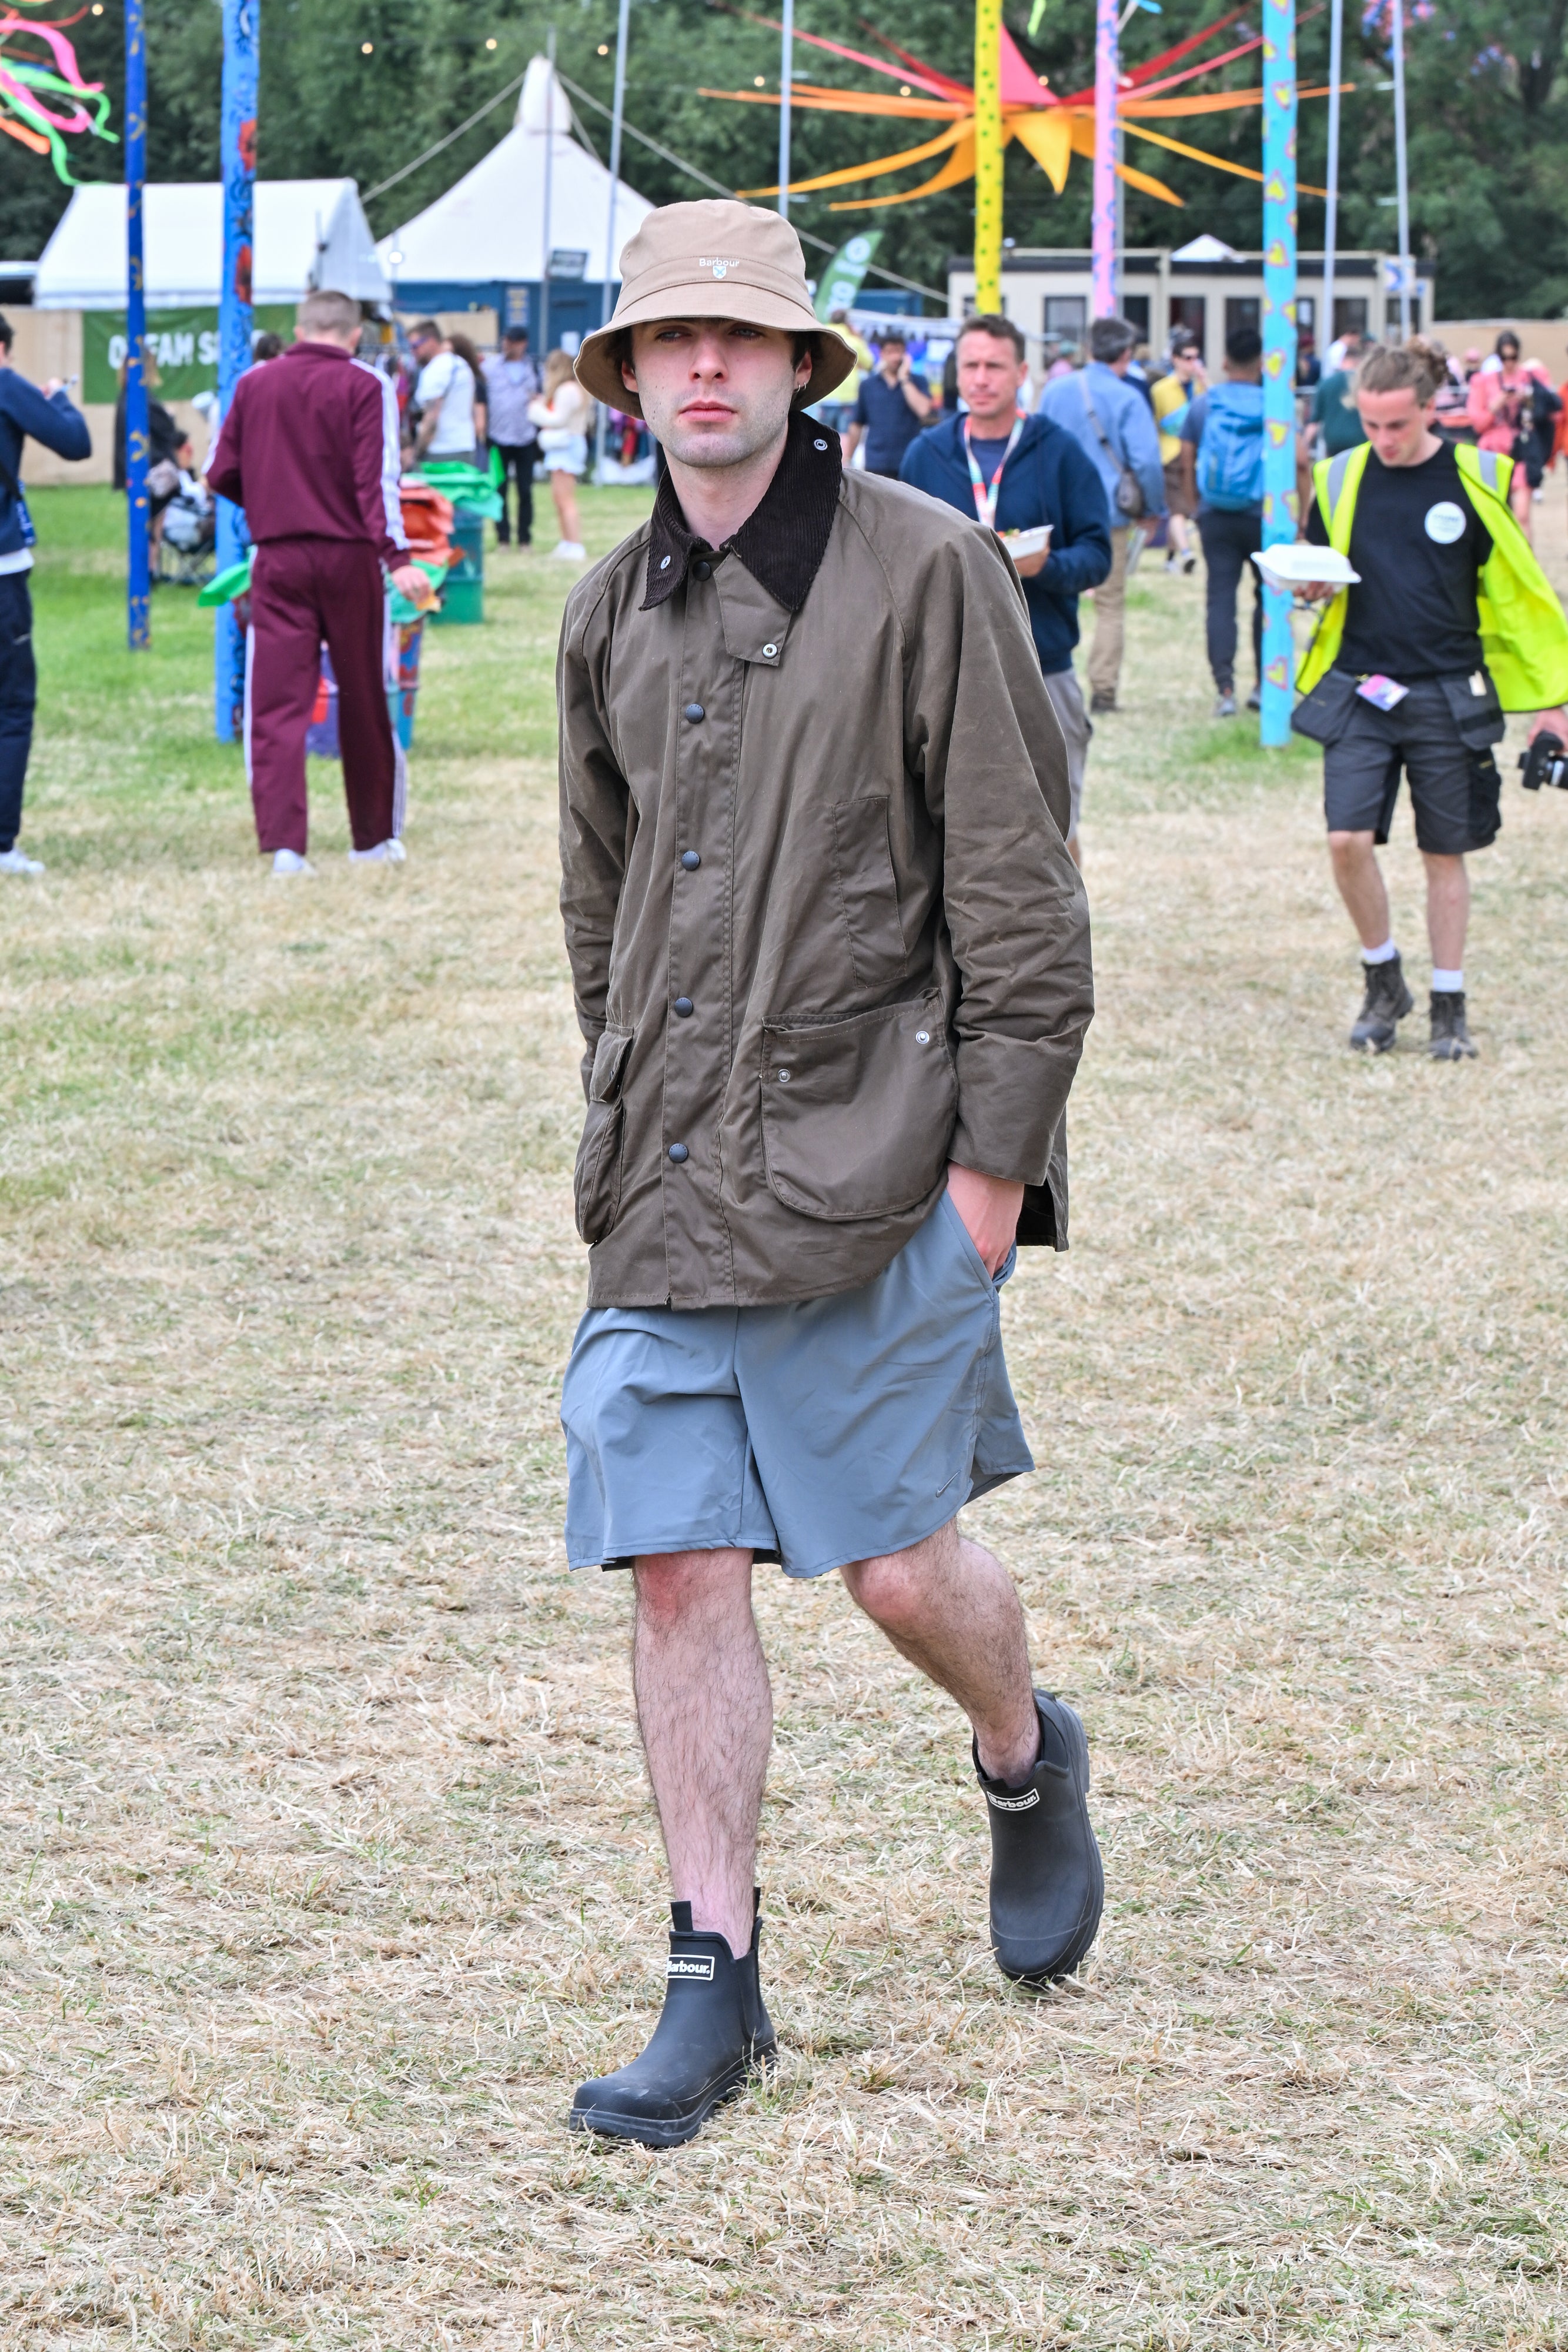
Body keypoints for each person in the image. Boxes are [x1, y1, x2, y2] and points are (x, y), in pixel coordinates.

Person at [559, 198, 1099, 2150]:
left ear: (797, 367)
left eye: (739, 338)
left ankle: (1023, 1750)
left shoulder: (928, 571)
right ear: (630, 381)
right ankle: (712, 1972)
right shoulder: (605, 612)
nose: (703, 367)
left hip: (880, 1170)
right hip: (665, 1188)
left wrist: (985, 1186)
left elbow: (1024, 910)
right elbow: (597, 908)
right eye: (666, 342)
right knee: (676, 1557)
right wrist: (616, 1114)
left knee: (888, 1564)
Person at [1295, 336, 1568, 1059]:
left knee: (1445, 852)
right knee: (1345, 840)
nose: (1382, 440)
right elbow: (1321, 568)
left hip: (1450, 689)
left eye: (1397, 425)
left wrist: (1554, 704)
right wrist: (1310, 585)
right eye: (1370, 424)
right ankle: (1384, 979)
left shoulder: (1479, 476)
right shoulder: (1338, 475)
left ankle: (1451, 1004)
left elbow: (1520, 598)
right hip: (1361, 689)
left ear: (1430, 409)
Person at [206, 286, 427, 876]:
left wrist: (273, 501)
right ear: (353, 334)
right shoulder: (366, 383)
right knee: (363, 695)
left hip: (276, 556)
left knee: (275, 703)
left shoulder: (253, 383)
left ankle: (284, 848)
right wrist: (397, 554)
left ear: (300, 329)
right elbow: (376, 477)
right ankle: (373, 840)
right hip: (350, 557)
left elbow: (219, 471)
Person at [900, 310, 1111, 866]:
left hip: (1043, 665)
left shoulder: (1059, 452)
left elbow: (1097, 555)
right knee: (946, 831)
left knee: (1053, 827)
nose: (980, 378)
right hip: (945, 672)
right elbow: (892, 558)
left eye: (994, 366)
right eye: (970, 365)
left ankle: (1061, 946)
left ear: (1021, 373)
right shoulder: (926, 455)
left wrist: (1047, 567)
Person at [1037, 316, 1165, 713]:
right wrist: (1152, 508)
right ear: (1126, 353)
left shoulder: (1054, 391)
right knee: (1109, 605)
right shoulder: (1127, 397)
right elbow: (1145, 461)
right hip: (1108, 514)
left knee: (1044, 597)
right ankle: (1103, 690)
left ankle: (1045, 680)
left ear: (1090, 348)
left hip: (1050, 511)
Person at [0, 314, 91, 877]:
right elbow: (75, 444)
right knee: (11, 704)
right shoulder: (8, 386)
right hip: (2, 572)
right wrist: (57, 402)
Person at [1177, 323, 1266, 719]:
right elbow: (1298, 460)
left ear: (1225, 361)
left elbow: (1185, 458)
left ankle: (1225, 688)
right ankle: (1265, 686)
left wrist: (1196, 506)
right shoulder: (1274, 404)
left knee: (1220, 599)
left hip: (1215, 513)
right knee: (1268, 598)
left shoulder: (1205, 403)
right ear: (1261, 362)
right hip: (1262, 514)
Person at [1466, 333, 1536, 533]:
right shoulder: (1483, 381)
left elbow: (1546, 410)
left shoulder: (1527, 378)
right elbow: (1477, 422)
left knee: (1522, 515)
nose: (1509, 363)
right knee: (1494, 515)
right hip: (1492, 452)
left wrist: (1527, 400)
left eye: (1513, 357)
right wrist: (1496, 405)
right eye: (1505, 358)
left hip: (1521, 449)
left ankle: (1525, 562)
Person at [528, 351, 591, 561]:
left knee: (566, 499)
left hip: (567, 445)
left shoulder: (567, 390)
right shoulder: (574, 389)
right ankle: (567, 542)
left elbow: (558, 420)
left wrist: (536, 409)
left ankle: (575, 545)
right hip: (566, 445)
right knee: (559, 498)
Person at [483, 325, 542, 546]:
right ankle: (503, 538)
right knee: (500, 489)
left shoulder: (533, 368)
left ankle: (525, 538)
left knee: (525, 490)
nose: (506, 345)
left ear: (522, 344)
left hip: (525, 437)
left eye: (512, 341)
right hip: (497, 437)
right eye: (505, 340)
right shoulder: (489, 368)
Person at [844, 328, 932, 476]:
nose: (895, 357)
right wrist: (848, 458)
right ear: (882, 354)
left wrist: (904, 379)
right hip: (876, 462)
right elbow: (857, 424)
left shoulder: (917, 381)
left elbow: (923, 410)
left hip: (909, 460)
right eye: (890, 352)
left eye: (899, 351)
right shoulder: (868, 385)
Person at [1151, 335, 1203, 573]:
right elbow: (1154, 424)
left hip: (1198, 454)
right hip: (1171, 454)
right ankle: (1186, 553)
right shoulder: (1160, 390)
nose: (1193, 362)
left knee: (1184, 510)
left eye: (1196, 357)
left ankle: (1171, 556)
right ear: (1175, 360)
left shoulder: (1202, 386)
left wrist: (1205, 379)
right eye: (1188, 358)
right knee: (1178, 508)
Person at [408, 319, 478, 467]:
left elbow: (432, 418)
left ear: (431, 342)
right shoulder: (461, 364)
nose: (412, 351)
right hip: (466, 446)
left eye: (415, 346)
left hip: (441, 451)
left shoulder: (436, 369)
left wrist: (416, 454)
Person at [1309, 332, 1368, 463]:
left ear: (1343, 360)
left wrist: (1303, 447)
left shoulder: (1326, 383)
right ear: (1360, 361)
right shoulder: (1367, 383)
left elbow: (1313, 423)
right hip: (1361, 445)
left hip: (1334, 445)